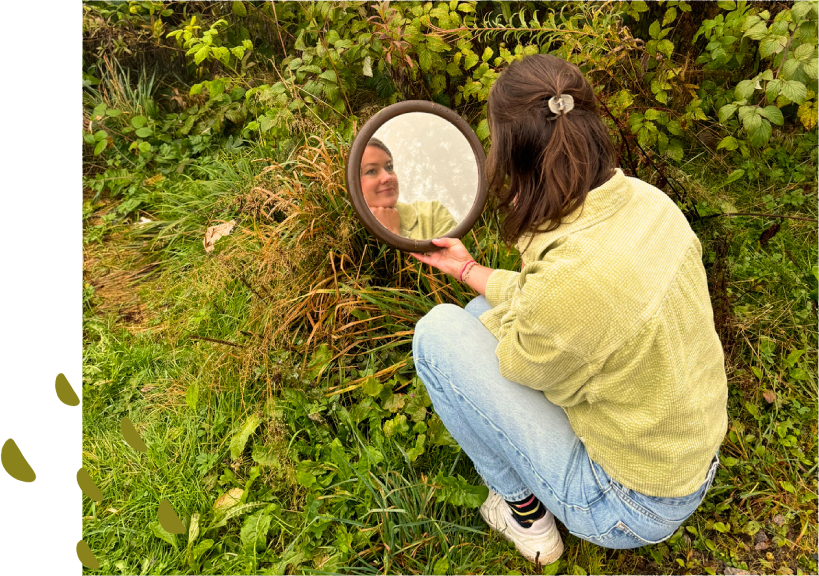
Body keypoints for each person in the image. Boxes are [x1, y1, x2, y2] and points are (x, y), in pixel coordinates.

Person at [410, 54, 727, 565]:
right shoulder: (647, 202)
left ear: (511, 154)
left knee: (438, 335)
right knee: (472, 314)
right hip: (687, 456)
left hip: (630, 504)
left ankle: (527, 518)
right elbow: (565, 303)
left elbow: (526, 356)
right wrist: (469, 271)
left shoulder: (569, 281)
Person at [360, 138, 458, 240]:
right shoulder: (349, 233)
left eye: (389, 167)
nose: (387, 177)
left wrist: (393, 235)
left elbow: (451, 255)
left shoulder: (432, 214)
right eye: (371, 171)